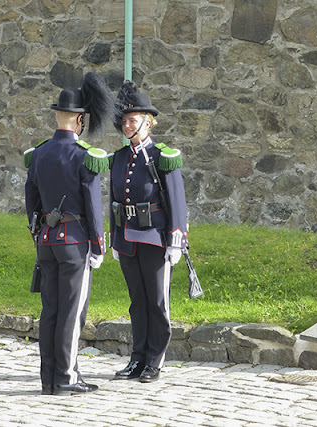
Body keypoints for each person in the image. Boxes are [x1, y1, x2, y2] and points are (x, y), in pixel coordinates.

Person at [24, 72, 113, 396]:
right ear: (79, 120)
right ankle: (66, 377)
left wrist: (39, 232)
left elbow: (31, 200)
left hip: (46, 241)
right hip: (75, 243)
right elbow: (92, 204)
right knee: (72, 313)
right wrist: (98, 244)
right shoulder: (83, 156)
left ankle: (48, 378)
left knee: (50, 311)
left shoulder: (39, 154)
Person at [109, 81, 188, 383]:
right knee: (136, 301)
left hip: (155, 238)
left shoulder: (162, 156)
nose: (127, 125)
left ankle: (155, 360)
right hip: (128, 238)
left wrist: (176, 239)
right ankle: (137, 358)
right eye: (124, 120)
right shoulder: (118, 158)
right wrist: (115, 236)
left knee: (157, 301)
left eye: (133, 119)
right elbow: (114, 200)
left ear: (148, 121)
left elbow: (176, 199)